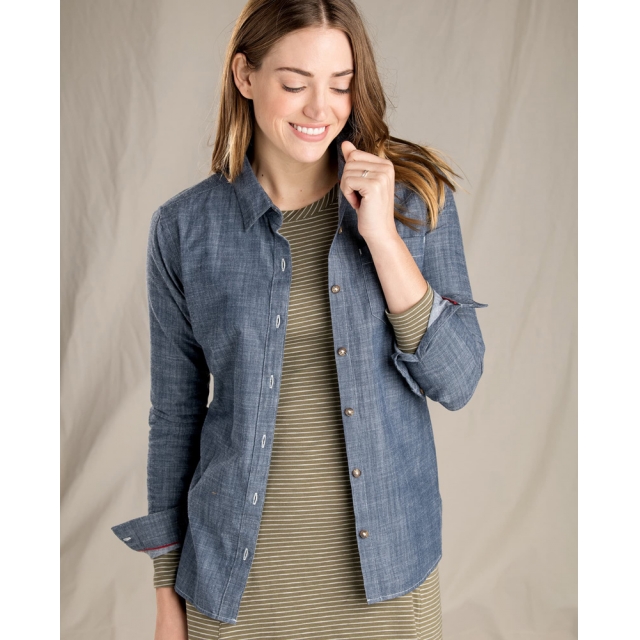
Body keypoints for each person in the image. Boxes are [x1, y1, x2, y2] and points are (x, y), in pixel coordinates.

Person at [111, 1, 487, 638]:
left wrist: (383, 240)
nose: (321, 109)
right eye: (294, 84)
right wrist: (166, 594)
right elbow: (174, 417)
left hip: (388, 581)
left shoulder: (411, 200)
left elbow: (458, 380)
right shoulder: (184, 229)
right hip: (235, 589)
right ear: (245, 76)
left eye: (340, 85)